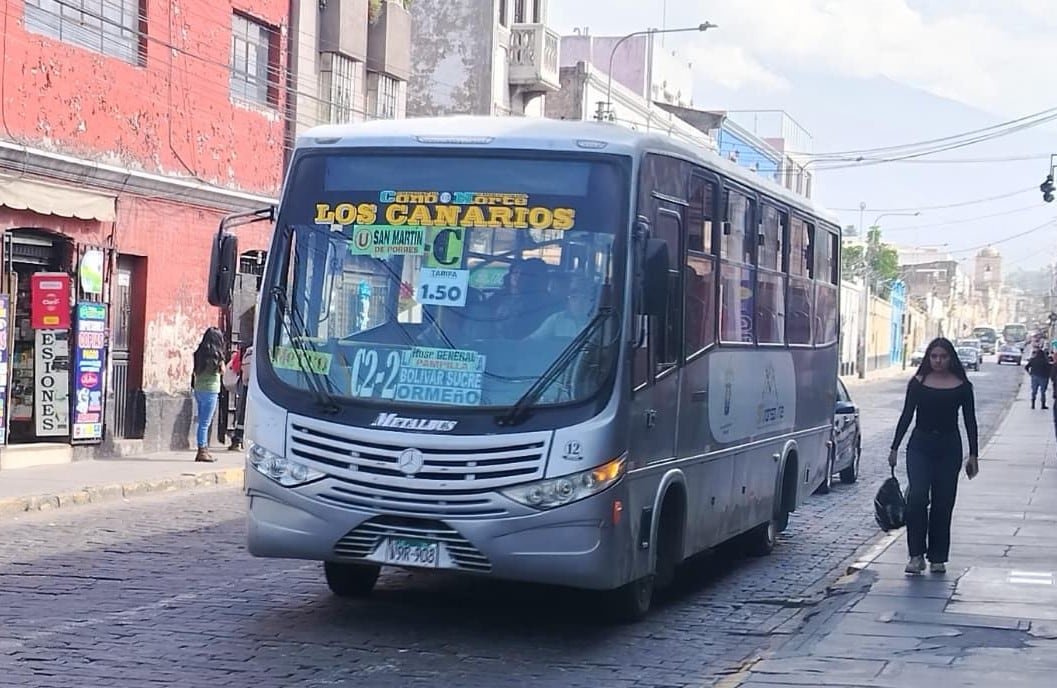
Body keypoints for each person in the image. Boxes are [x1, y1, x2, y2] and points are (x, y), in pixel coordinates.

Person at [889, 336, 979, 575]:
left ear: (951, 358)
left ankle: (938, 556)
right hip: (920, 446)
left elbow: (970, 421)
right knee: (917, 497)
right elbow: (906, 416)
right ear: (929, 358)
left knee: (943, 501)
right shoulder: (918, 383)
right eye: (934, 356)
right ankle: (916, 555)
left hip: (949, 448)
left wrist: (974, 455)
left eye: (943, 356)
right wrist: (894, 447)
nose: (938, 361)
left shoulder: (962, 386)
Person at [191, 327, 226, 463]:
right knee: (205, 423)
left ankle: (203, 449)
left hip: (199, 389)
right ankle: (202, 450)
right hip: (211, 390)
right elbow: (222, 371)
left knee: (201, 421)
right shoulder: (218, 355)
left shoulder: (199, 353)